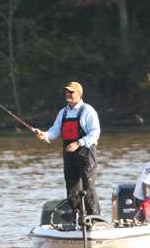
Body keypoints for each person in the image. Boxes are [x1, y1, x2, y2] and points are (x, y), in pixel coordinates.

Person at [35, 81, 101, 215]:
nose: (68, 94)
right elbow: (55, 130)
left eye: (71, 92)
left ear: (80, 94)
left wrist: (78, 143)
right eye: (66, 92)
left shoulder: (88, 111)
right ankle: (78, 218)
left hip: (86, 153)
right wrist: (45, 135)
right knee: (72, 187)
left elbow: (95, 133)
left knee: (88, 186)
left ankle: (94, 217)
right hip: (69, 155)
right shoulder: (63, 112)